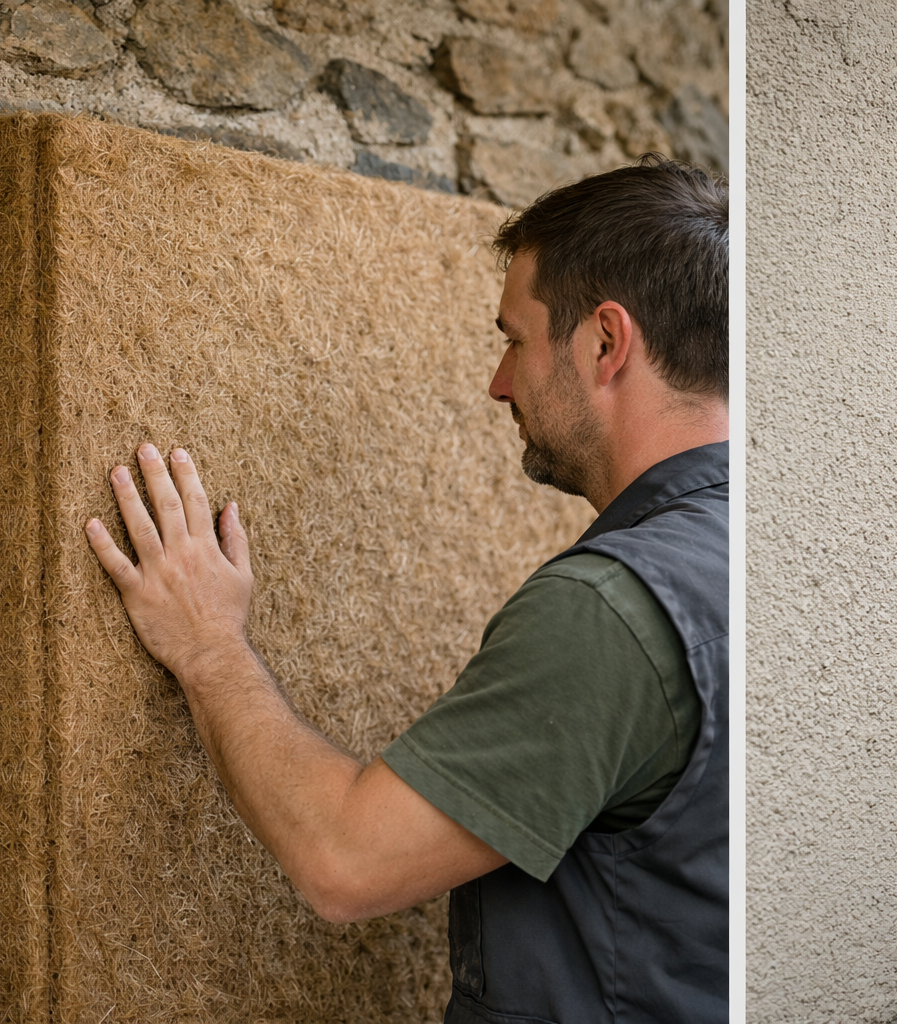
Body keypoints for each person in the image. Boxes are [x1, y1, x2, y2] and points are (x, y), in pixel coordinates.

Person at [85, 155, 729, 1024]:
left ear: (605, 342)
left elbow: (346, 862)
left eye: (515, 338)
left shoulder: (615, 611)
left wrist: (207, 643)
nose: (498, 381)